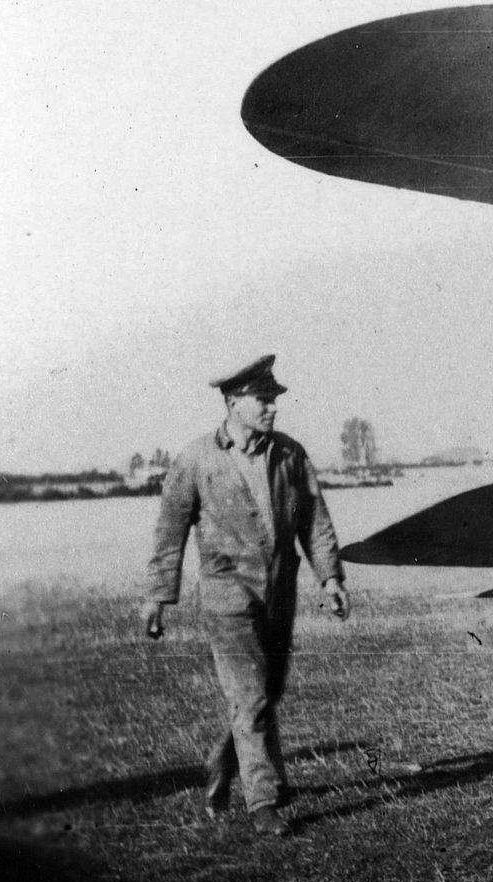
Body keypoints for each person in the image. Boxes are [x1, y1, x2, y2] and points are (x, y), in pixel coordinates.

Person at [142, 355, 351, 837]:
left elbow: (314, 519)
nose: (273, 409)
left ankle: (222, 760)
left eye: (274, 400)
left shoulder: (290, 455)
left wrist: (331, 578)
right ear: (234, 403)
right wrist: (158, 595)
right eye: (263, 401)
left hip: (280, 590)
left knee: (268, 691)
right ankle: (264, 801)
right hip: (226, 593)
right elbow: (170, 528)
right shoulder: (196, 459)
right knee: (251, 694)